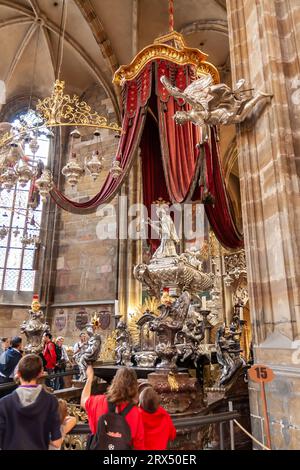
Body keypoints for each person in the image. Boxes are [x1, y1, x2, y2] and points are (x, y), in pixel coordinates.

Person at [0, 354, 62, 450]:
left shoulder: (4, 403)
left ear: (19, 373)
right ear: (40, 373)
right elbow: (57, 442)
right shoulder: (51, 401)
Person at [81, 365, 144, 450]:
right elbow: (138, 445)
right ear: (135, 386)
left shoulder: (98, 401)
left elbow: (83, 401)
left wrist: (89, 378)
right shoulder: (136, 412)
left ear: (114, 382)